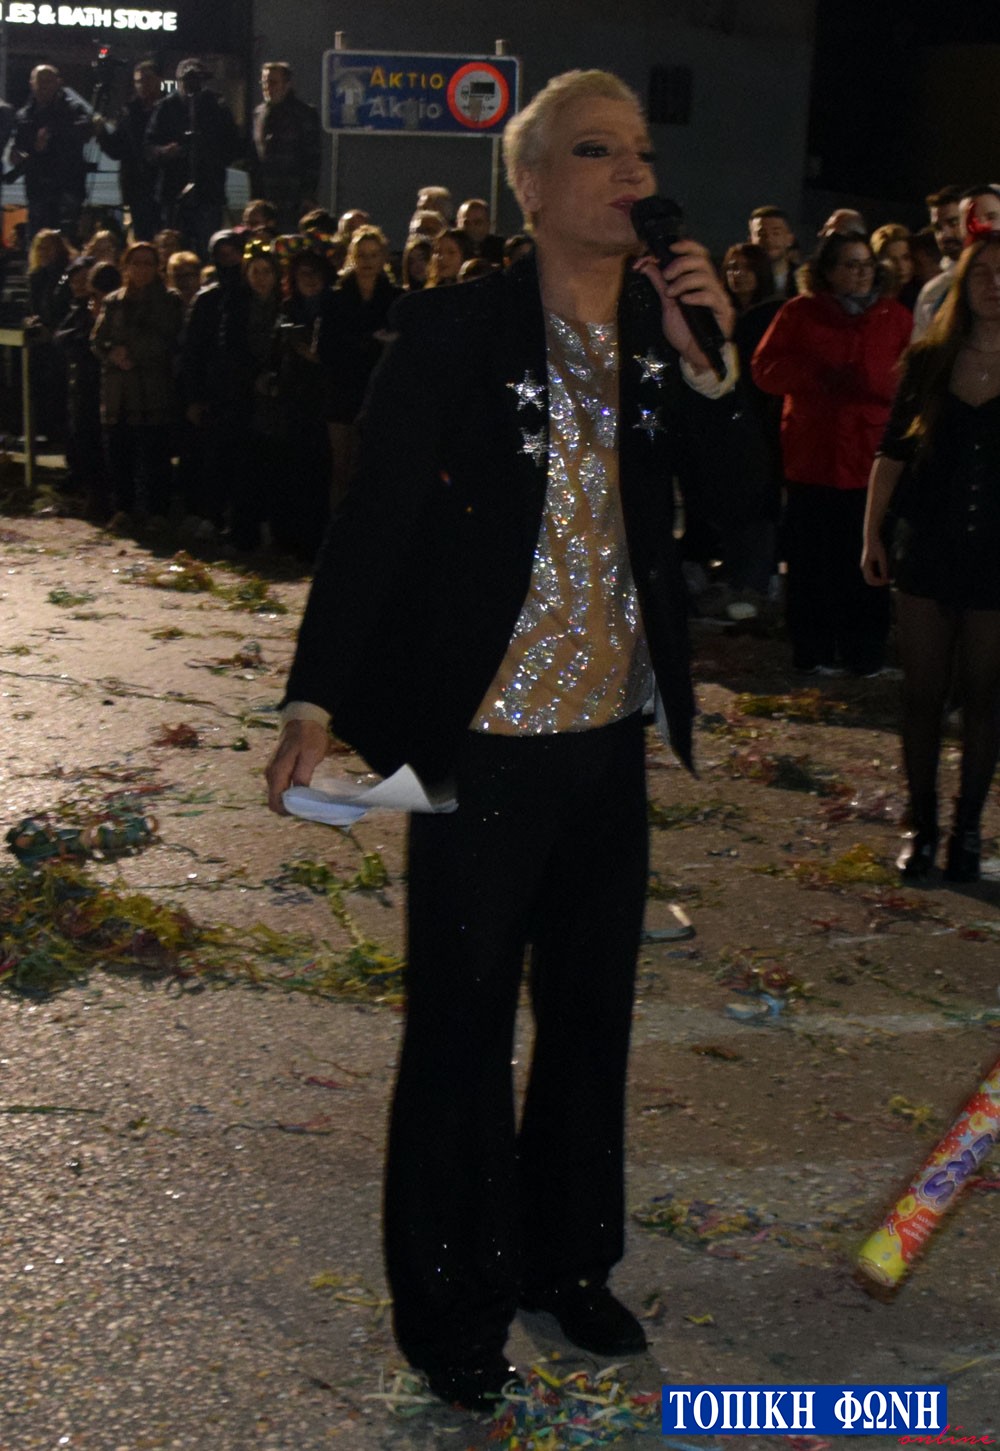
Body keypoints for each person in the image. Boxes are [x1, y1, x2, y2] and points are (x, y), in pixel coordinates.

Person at [265, 67, 757, 1411]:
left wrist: (713, 365)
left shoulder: (661, 333)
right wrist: (313, 698)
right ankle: (452, 1304)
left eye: (641, 151)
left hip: (607, 733)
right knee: (462, 1029)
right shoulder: (458, 327)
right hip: (479, 738)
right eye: (598, 151)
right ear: (530, 184)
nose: (633, 173)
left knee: (592, 1015)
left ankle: (565, 1258)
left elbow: (739, 509)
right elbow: (375, 515)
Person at [862, 232, 1000, 883]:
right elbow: (892, 454)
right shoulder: (928, 361)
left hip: (996, 555)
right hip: (929, 544)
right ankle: (920, 826)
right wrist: (871, 535)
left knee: (985, 696)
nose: (995, 285)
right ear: (963, 285)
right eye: (984, 274)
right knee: (921, 694)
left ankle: (967, 830)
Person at [752, 230, 912, 675]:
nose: (861, 273)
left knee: (867, 557)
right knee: (812, 560)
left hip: (868, 456)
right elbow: (765, 369)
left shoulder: (894, 316)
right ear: (827, 271)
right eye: (850, 264)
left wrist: (873, 384)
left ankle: (864, 652)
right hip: (814, 456)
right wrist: (816, 376)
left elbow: (910, 379)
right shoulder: (799, 313)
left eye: (866, 264)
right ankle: (813, 649)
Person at [93, 239, 183, 528]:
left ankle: (157, 510)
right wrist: (112, 352)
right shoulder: (114, 300)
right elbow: (98, 338)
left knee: (154, 451)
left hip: (153, 387)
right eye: (136, 263)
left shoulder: (169, 299)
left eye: (148, 263)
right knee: (120, 451)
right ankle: (124, 507)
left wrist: (134, 353)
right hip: (119, 390)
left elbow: (169, 338)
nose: (142, 269)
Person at [327, 225, 400, 509]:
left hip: (378, 389)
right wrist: (368, 340)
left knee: (371, 465)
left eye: (373, 254)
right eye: (362, 255)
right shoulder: (337, 297)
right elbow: (330, 345)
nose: (368, 261)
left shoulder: (394, 298)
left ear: (383, 258)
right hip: (344, 388)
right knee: (341, 465)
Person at [146, 58, 240, 258]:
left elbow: (233, 145)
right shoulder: (166, 107)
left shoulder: (217, 106)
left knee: (208, 249)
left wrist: (210, 154)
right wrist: (166, 151)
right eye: (187, 80)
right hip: (174, 192)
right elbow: (149, 147)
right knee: (175, 250)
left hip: (209, 191)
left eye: (197, 80)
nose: (192, 85)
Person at [10, 65, 92, 243]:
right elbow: (20, 146)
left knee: (65, 241)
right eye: (39, 81)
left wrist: (53, 134)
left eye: (48, 81)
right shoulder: (25, 114)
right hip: (37, 188)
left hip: (67, 186)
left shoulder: (73, 109)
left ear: (58, 83)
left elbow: (85, 130)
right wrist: (19, 154)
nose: (44, 85)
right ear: (31, 84)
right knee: (38, 242)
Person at [94, 61, 163, 241]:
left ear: (158, 80)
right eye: (138, 81)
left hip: (164, 183)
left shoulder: (169, 107)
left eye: (147, 79)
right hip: (137, 185)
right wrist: (102, 133)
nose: (143, 85)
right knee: (143, 236)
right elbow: (117, 149)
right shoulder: (129, 111)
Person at [252, 62, 322, 234]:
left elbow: (313, 156)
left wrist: (307, 194)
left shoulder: (303, 114)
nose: (268, 88)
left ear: (287, 84)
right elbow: (255, 156)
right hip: (265, 195)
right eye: (264, 83)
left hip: (293, 196)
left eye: (273, 82)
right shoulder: (259, 113)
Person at [911, 186, 963, 341]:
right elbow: (920, 349)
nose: (944, 235)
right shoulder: (932, 292)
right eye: (938, 228)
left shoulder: (992, 281)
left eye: (953, 223)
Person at [748, 205, 798, 297]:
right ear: (750, 240)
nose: (769, 240)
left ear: (790, 239)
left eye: (776, 233)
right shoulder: (743, 281)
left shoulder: (805, 279)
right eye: (761, 234)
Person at [456, 197, 505, 267]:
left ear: (488, 224)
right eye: (466, 223)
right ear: (457, 223)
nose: (472, 227)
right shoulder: (449, 248)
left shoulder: (501, 248)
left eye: (477, 223)